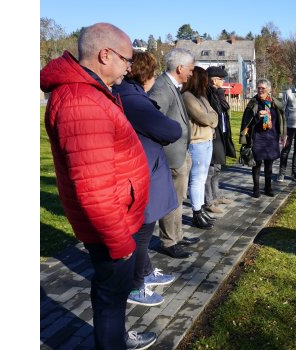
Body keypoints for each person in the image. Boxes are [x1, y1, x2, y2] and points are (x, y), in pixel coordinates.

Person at [40, 23, 157, 350]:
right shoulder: (82, 102)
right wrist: (120, 243)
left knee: (113, 294)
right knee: (110, 296)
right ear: (105, 55)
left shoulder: (89, 94)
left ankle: (117, 337)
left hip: (117, 219)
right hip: (111, 228)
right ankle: (112, 342)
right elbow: (93, 190)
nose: (129, 68)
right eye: (126, 60)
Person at [112, 51, 181, 307]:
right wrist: (172, 127)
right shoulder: (133, 99)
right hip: (142, 171)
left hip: (145, 167)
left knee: (145, 226)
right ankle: (135, 285)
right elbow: (168, 129)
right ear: (148, 75)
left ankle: (146, 272)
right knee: (143, 230)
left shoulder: (130, 95)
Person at [148, 48, 202, 259]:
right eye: (190, 69)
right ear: (180, 68)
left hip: (179, 154)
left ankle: (177, 235)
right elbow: (153, 120)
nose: (191, 73)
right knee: (172, 200)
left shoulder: (172, 86)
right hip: (170, 157)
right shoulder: (162, 88)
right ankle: (169, 241)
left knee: (178, 199)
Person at [182, 66, 219, 227]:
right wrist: (211, 119)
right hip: (197, 142)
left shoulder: (202, 98)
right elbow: (205, 118)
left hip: (207, 140)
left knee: (202, 178)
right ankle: (197, 212)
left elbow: (214, 115)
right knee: (197, 179)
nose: (206, 82)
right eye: (204, 79)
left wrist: (211, 119)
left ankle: (201, 208)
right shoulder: (187, 96)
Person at [240, 79, 287, 198]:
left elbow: (281, 120)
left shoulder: (274, 103)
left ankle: (268, 188)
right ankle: (256, 189)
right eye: (258, 88)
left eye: (263, 88)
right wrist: (257, 117)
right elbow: (247, 122)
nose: (260, 90)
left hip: (272, 138)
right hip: (258, 138)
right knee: (256, 164)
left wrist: (282, 135)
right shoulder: (253, 103)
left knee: (269, 166)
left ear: (269, 89)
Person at [203, 66, 236, 214]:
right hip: (212, 135)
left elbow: (224, 108)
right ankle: (209, 201)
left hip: (221, 134)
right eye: (221, 79)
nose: (223, 82)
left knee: (217, 168)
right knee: (210, 169)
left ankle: (216, 196)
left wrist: (220, 93)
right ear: (214, 80)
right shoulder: (207, 93)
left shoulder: (217, 93)